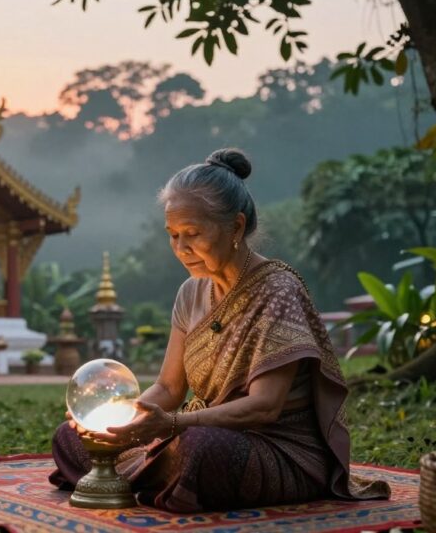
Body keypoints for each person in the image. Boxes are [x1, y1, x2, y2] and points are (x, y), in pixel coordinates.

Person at [49, 148, 390, 512]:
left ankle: (149, 476)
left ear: (236, 227)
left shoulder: (277, 290)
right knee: (71, 437)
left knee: (198, 450)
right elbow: (168, 387)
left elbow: (264, 407)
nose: (180, 248)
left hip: (273, 448)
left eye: (192, 233)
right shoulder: (191, 292)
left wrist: (173, 424)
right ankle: (159, 479)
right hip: (196, 432)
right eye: (173, 235)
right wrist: (120, 421)